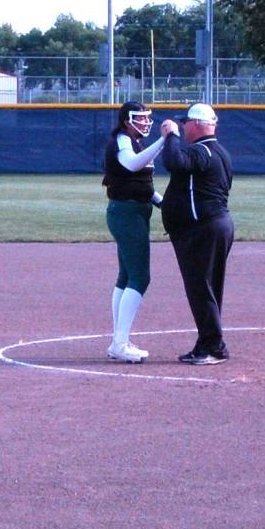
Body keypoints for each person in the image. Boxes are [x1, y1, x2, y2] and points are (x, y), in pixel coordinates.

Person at [159, 103, 234, 365]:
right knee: (207, 289)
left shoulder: (202, 150)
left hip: (202, 229)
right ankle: (206, 343)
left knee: (200, 288)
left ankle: (214, 347)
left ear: (197, 125)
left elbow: (173, 161)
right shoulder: (220, 152)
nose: (182, 126)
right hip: (214, 226)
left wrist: (170, 135)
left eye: (185, 123)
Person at [102, 101, 166, 363]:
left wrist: (165, 204)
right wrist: (164, 140)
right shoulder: (122, 141)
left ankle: (120, 339)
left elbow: (142, 184)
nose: (145, 122)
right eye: (140, 118)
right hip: (126, 213)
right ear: (126, 120)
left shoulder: (135, 141)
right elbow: (131, 165)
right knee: (140, 277)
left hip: (135, 211)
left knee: (126, 276)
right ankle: (119, 343)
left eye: (147, 118)